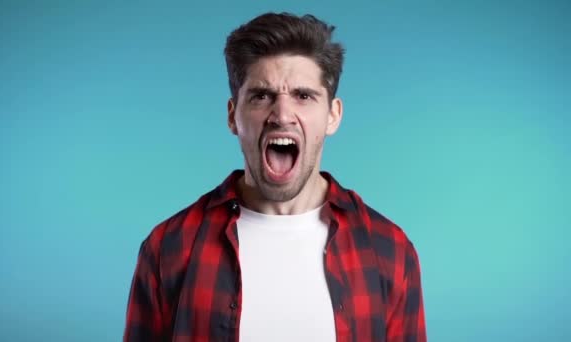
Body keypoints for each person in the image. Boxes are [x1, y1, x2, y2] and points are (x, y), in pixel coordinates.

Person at [124, 12, 426, 342]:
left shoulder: (390, 251)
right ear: (232, 116)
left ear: (332, 115)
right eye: (261, 96)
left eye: (304, 96)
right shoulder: (170, 248)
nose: (282, 115)